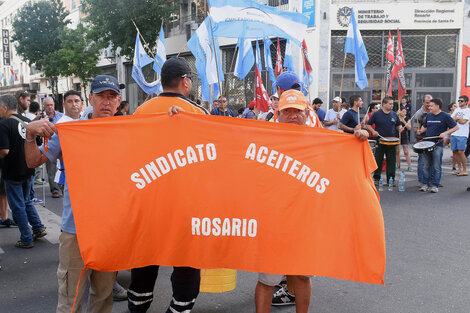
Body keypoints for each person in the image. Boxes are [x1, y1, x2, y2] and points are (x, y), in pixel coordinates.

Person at [25, 75, 124, 312]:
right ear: (90, 99)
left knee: (103, 298)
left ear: (119, 101)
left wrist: (173, 117)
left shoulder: (128, 132)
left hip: (112, 230)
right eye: (101, 96)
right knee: (70, 300)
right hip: (76, 229)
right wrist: (29, 134)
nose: (107, 102)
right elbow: (32, 161)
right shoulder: (70, 131)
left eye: (112, 96)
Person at [131, 57, 204, 313]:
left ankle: (137, 307)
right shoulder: (198, 114)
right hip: (186, 210)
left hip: (148, 207)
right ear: (185, 82)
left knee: (143, 268)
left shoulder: (140, 112)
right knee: (185, 273)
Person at [0, 95, 46, 248]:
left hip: (12, 170)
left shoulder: (4, 124)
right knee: (26, 201)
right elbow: (37, 143)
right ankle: (38, 228)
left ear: (5, 107)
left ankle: (26, 238)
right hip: (28, 168)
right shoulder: (27, 121)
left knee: (17, 205)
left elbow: (4, 150)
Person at [417, 98, 458, 193]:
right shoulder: (429, 116)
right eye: (429, 105)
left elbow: (456, 127)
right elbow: (425, 126)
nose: (429, 107)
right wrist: (421, 130)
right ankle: (425, 184)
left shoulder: (445, 116)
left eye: (431, 106)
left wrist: (445, 133)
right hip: (427, 143)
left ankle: (435, 185)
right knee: (425, 165)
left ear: (437, 106)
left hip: (437, 144)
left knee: (436, 166)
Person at [365, 97, 403, 185]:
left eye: (392, 104)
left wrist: (400, 128)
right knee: (378, 160)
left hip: (391, 141)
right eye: (390, 104)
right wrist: (373, 131)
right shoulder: (376, 114)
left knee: (391, 161)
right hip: (380, 140)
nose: (392, 105)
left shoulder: (394, 114)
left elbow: (398, 125)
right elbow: (368, 125)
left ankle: (391, 180)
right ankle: (376, 179)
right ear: (384, 104)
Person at [44, 97, 63, 198]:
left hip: (62, 144)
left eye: (51, 105)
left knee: (63, 168)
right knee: (51, 168)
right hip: (49, 145)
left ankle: (63, 186)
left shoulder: (61, 116)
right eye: (47, 105)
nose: (50, 107)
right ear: (44, 106)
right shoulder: (42, 117)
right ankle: (54, 190)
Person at [414, 94, 432, 187]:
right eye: (427, 103)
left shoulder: (434, 111)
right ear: (423, 102)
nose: (429, 105)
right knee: (422, 161)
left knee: (432, 160)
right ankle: (421, 180)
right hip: (422, 139)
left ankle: (431, 180)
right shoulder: (419, 113)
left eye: (431, 102)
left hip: (433, 140)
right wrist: (420, 130)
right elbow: (415, 129)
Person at [450, 96, 470, 176]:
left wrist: (456, 119)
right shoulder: (457, 110)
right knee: (455, 152)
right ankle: (459, 169)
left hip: (462, 133)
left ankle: (465, 170)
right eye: (459, 101)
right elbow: (451, 119)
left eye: (461, 101)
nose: (459, 102)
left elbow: (464, 121)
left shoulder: (468, 111)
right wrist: (459, 118)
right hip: (454, 133)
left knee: (461, 152)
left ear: (466, 102)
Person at [396, 105, 412, 171]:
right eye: (403, 111)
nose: (405, 113)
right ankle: (397, 164)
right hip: (397, 136)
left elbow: (409, 128)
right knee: (397, 152)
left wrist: (403, 121)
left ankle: (409, 166)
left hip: (404, 136)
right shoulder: (396, 117)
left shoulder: (407, 118)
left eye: (405, 112)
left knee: (406, 152)